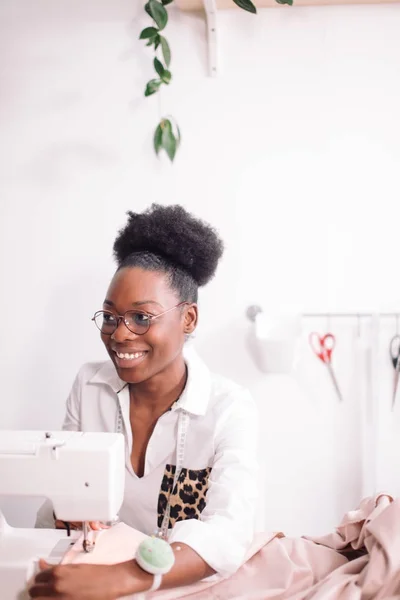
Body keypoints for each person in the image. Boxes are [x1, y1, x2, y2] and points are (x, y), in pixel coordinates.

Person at [30, 204, 259, 599]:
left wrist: (121, 578)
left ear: (188, 319)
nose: (119, 335)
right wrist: (68, 512)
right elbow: (61, 495)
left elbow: (228, 532)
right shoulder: (89, 387)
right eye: (110, 317)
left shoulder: (228, 409)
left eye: (141, 318)